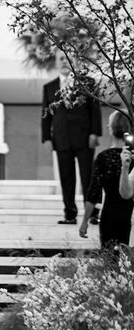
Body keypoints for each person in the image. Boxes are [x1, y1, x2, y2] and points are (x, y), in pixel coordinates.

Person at [41, 50, 101, 224]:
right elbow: (46, 114)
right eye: (61, 58)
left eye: (68, 58)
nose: (65, 61)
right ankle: (70, 214)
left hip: (84, 139)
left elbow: (94, 111)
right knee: (66, 178)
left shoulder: (88, 83)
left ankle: (93, 213)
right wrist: (46, 137)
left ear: (74, 61)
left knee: (88, 176)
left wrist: (95, 132)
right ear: (57, 62)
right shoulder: (49, 87)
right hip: (61, 139)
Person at [79, 110, 134, 249]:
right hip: (128, 216)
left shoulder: (103, 157)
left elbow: (93, 192)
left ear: (111, 129)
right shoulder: (131, 157)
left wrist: (85, 221)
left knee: (109, 262)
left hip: (109, 215)